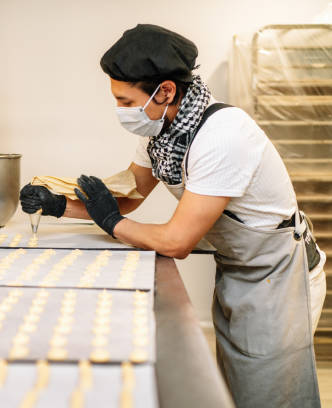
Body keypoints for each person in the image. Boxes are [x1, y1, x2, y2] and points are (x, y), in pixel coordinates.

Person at [19, 24, 326, 408]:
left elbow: (176, 241)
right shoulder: (164, 135)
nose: (121, 111)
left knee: (270, 394)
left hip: (279, 275)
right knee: (238, 386)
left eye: (127, 101)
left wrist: (111, 222)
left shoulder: (222, 137)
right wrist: (59, 204)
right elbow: (128, 197)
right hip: (242, 270)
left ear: (164, 91)